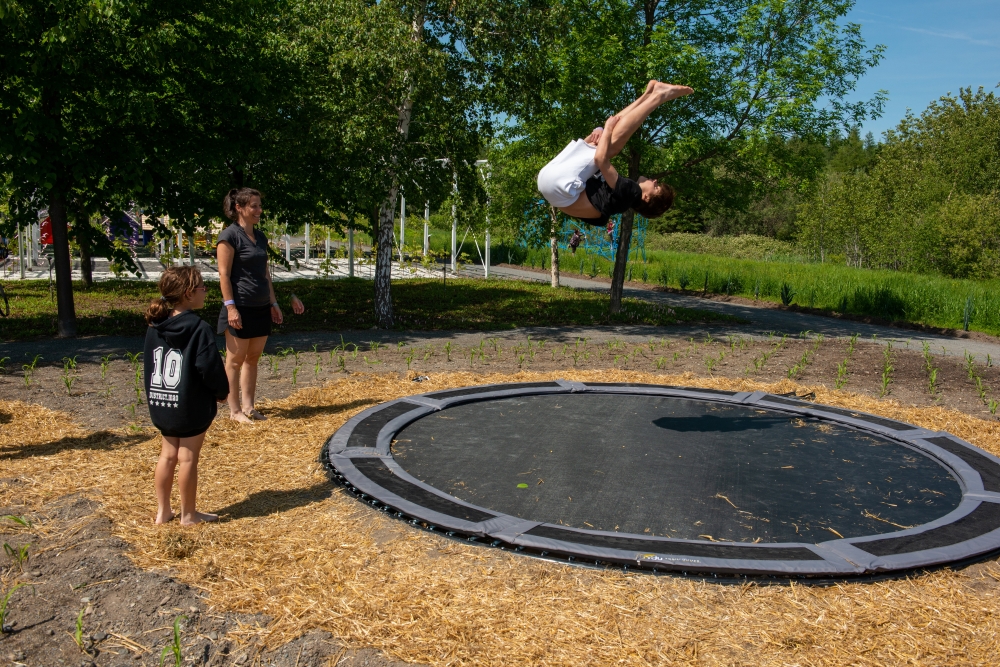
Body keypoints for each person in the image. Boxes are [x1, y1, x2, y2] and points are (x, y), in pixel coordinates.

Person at [537, 81, 693, 234]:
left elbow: (600, 159)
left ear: (646, 198)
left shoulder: (632, 192)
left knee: (610, 149)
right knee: (604, 142)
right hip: (551, 186)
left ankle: (658, 96)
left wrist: (608, 128)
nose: (655, 180)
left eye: (656, 187)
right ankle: (648, 94)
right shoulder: (613, 202)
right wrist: (602, 130)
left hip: (560, 184)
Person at [144, 266, 229, 525]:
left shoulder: (155, 325)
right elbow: (209, 367)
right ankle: (189, 515)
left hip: (162, 401)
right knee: (188, 457)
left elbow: (148, 364)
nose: (206, 291)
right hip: (190, 406)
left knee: (167, 454)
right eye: (203, 287)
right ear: (189, 293)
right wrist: (221, 393)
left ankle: (163, 511)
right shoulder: (198, 328)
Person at [216, 188, 304, 423]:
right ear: (239, 208)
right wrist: (231, 308)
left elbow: (264, 273)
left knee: (252, 359)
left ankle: (249, 407)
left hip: (260, 306)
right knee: (234, 360)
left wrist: (273, 302)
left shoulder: (260, 237)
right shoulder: (229, 237)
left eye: (259, 205)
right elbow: (223, 275)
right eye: (254, 206)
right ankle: (234, 411)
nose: (259, 210)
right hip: (240, 306)